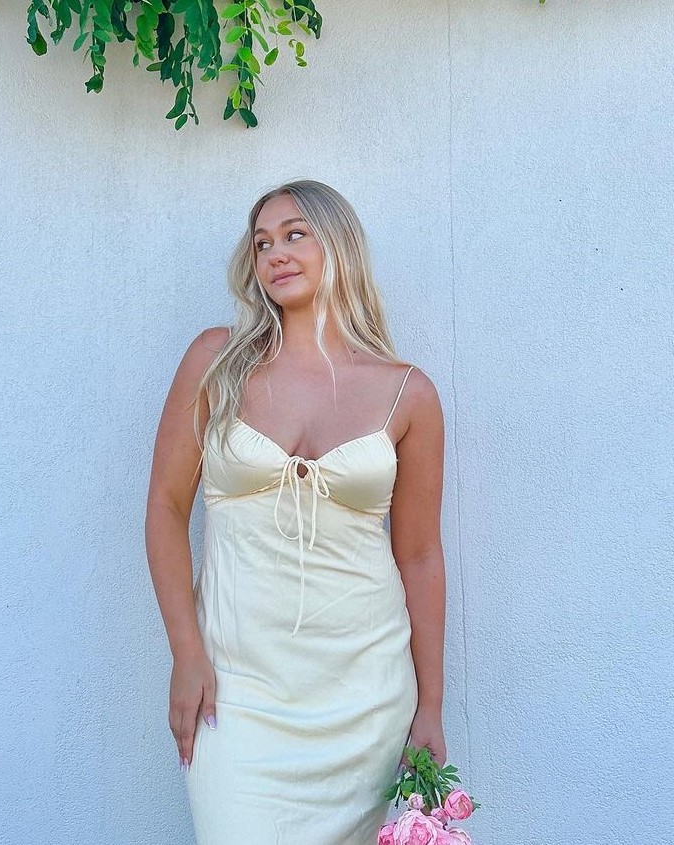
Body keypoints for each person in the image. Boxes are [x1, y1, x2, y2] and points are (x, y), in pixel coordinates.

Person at [145, 179, 447, 844]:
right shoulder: (216, 361)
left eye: (294, 234)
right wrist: (186, 653)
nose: (275, 253)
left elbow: (420, 555)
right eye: (262, 243)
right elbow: (165, 509)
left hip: (366, 696)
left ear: (339, 245)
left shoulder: (409, 394)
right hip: (238, 690)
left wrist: (430, 704)